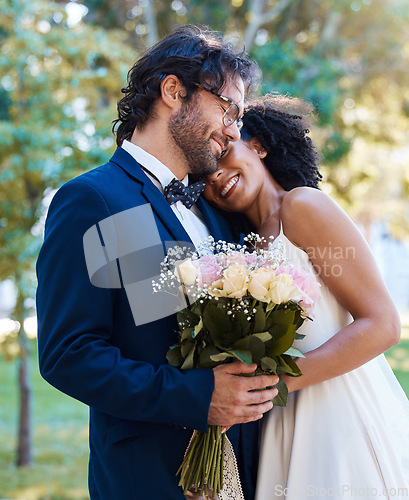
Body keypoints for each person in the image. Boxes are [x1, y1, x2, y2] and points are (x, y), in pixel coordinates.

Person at [36, 25, 279, 500]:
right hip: (148, 478)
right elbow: (70, 353)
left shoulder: (218, 210)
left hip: (247, 473)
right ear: (173, 91)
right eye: (228, 110)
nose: (234, 131)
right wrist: (196, 397)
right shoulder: (97, 199)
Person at [203, 94, 409, 499]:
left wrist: (273, 385)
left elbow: (382, 324)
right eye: (204, 176)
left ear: (258, 145)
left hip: (338, 412)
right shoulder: (243, 249)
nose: (215, 176)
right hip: (282, 422)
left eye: (224, 153)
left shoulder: (303, 206)